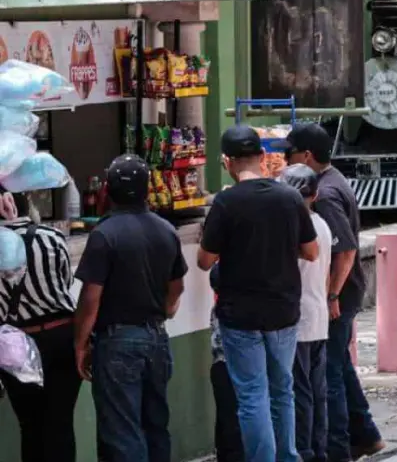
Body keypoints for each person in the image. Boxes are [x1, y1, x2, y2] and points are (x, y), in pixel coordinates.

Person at [198, 125, 319, 462]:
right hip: (283, 310)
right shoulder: (290, 197)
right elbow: (311, 252)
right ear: (264, 157)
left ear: (226, 161)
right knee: (283, 390)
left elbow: (205, 261)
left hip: (241, 316)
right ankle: (288, 457)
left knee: (252, 395)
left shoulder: (226, 202)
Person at [73, 154, 187, 462]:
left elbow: (91, 298)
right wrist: (159, 315)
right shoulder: (166, 230)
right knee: (155, 426)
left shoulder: (104, 235)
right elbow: (177, 287)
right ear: (147, 189)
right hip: (157, 339)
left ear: (106, 189)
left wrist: (80, 344)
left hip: (118, 343)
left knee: (123, 433)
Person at [284, 123, 386, 460]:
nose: (286, 160)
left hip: (334, 297)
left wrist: (331, 296)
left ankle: (338, 447)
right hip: (339, 293)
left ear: (307, 156)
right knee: (340, 366)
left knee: (330, 377)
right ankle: (366, 433)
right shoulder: (332, 180)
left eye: (290, 154)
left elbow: (346, 249)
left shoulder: (324, 194)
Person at [0, 190, 81, 462]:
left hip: (15, 346)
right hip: (61, 336)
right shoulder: (51, 236)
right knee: (60, 423)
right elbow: (65, 282)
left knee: (30, 426)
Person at [277, 164, 333, 462]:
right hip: (318, 316)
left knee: (301, 393)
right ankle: (318, 450)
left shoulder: (295, 228)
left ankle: (306, 451)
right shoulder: (321, 224)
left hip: (299, 320)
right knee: (315, 391)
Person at [208, 263, 244, 462]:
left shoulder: (219, 309)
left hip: (220, 367)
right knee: (232, 418)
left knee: (225, 417)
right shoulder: (233, 309)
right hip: (232, 366)